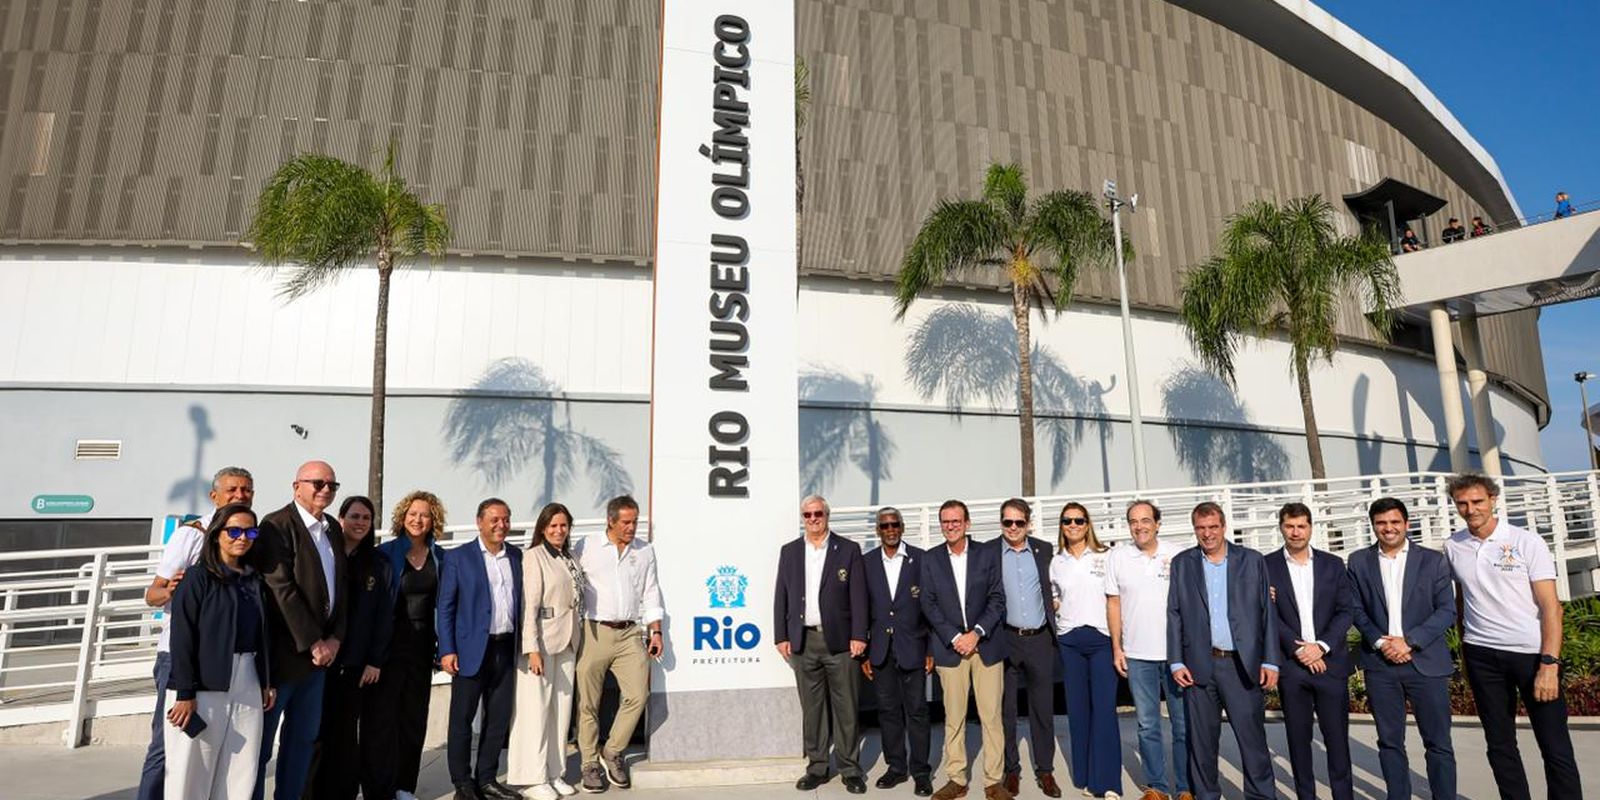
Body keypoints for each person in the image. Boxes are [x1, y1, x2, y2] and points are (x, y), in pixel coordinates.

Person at [1443, 472, 1582, 799]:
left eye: (1477, 501)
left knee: (1554, 745)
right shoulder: (1453, 546)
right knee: (1499, 744)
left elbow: (1551, 608)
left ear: (1493, 500)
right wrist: (1465, 656)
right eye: (1462, 503)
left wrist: (1549, 664)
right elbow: (1462, 602)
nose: (1470, 509)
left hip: (1531, 655)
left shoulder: (1526, 542)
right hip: (1481, 654)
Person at [138, 466, 254, 800]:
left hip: (224, 661)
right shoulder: (192, 535)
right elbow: (153, 594)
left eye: (246, 490)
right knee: (167, 745)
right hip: (179, 654)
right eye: (232, 490)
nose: (240, 495)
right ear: (214, 496)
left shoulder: (247, 539)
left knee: (213, 752)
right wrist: (179, 590)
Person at [1167, 502, 1278, 800]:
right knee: (1202, 745)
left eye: (1213, 527)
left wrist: (1271, 661)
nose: (1208, 534)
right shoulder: (1182, 563)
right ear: (1195, 530)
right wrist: (1176, 661)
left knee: (1253, 743)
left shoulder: (1251, 560)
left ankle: (1261, 797)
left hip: (1241, 665)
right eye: (1201, 528)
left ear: (1224, 527)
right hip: (1199, 666)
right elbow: (1174, 613)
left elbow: (1266, 612)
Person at [1347, 497, 1456, 800]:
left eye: (1395, 522)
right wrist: (1382, 642)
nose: (1388, 528)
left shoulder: (1433, 560)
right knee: (1390, 743)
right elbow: (1355, 609)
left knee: (1438, 743)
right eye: (1381, 523)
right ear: (1373, 526)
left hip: (1425, 662)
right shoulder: (1358, 561)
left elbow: (1446, 611)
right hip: (1380, 665)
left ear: (1407, 524)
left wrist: (1409, 641)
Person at [163, 503, 274, 800]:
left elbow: (263, 634)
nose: (243, 538)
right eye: (234, 531)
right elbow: (182, 637)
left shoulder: (255, 579)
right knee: (191, 772)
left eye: (250, 532)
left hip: (248, 678)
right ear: (216, 534)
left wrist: (266, 681)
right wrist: (185, 693)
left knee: (241, 770)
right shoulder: (197, 577)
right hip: (203, 684)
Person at [254, 461, 347, 800]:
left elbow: (342, 587)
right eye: (318, 483)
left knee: (301, 743)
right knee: (261, 748)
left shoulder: (332, 528)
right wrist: (313, 641)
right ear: (297, 487)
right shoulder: (276, 525)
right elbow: (281, 588)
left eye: (332, 485)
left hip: (319, 662)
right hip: (284, 658)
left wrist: (336, 637)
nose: (326, 490)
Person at [774, 495, 868, 794]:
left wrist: (859, 635)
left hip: (840, 642)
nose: (813, 519)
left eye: (818, 513)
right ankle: (817, 767)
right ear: (802, 518)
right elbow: (781, 595)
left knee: (846, 707)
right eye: (808, 515)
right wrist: (781, 635)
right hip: (804, 641)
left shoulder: (848, 549)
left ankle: (850, 769)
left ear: (827, 515)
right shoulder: (790, 552)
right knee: (812, 709)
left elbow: (859, 597)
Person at [574, 495, 665, 793]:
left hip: (630, 633)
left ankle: (612, 751)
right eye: (626, 522)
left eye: (635, 521)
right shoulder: (586, 546)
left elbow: (651, 591)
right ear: (610, 521)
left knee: (638, 695)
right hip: (594, 631)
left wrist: (655, 631)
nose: (631, 527)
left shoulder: (644, 550)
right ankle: (589, 763)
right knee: (588, 703)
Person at [921, 500, 1010, 800]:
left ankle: (993, 782)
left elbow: (997, 598)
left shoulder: (987, 554)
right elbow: (928, 604)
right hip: (951, 650)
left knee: (991, 717)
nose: (951, 526)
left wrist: (976, 633)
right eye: (945, 521)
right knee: (954, 717)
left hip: (986, 646)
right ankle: (956, 779)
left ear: (967, 523)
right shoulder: (931, 559)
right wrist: (955, 636)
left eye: (956, 521)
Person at [1264, 503, 1353, 800]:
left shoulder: (1333, 564)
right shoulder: (1266, 566)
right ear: (1281, 527)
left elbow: (1346, 611)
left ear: (1311, 528)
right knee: (1298, 742)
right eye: (1290, 526)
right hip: (1293, 669)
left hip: (1330, 665)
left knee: (1337, 742)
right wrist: (1299, 650)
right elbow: (1267, 615)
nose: (1296, 532)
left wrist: (1321, 647)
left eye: (1301, 526)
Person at [439, 498, 524, 800]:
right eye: (495, 519)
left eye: (506, 519)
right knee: (462, 719)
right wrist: (447, 649)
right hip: (469, 651)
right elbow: (445, 607)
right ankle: (462, 784)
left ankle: (487, 779)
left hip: (505, 648)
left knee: (498, 718)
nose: (502, 525)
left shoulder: (516, 555)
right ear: (479, 522)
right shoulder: (458, 557)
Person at [1105, 500, 1190, 800]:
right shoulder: (1117, 556)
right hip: (1138, 655)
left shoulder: (1178, 554)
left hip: (1176, 656)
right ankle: (1157, 787)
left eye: (1145, 520)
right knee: (1147, 725)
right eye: (1133, 521)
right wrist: (1117, 647)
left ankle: (1185, 787)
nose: (1139, 526)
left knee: (1183, 725)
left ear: (1157, 523)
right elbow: (1113, 603)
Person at [310, 496, 393, 800]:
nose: (360, 523)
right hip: (319, 660)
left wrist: (375, 660)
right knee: (315, 732)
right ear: (341, 518)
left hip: (355, 664)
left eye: (366, 518)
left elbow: (384, 616)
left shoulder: (379, 564)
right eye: (354, 516)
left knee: (345, 735)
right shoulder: (326, 555)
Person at [367, 490, 448, 800]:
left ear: (433, 520)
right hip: (388, 648)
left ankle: (404, 787)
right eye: (412, 514)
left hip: (423, 648)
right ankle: (379, 788)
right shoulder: (385, 553)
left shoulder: (441, 557)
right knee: (382, 721)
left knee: (413, 720)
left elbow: (446, 605)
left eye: (424, 515)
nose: (418, 519)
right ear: (402, 517)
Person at [508, 503, 586, 800]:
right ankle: (531, 777)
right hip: (541, 643)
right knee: (535, 711)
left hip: (568, 640)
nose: (558, 530)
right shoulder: (534, 556)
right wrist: (531, 648)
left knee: (560, 712)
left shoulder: (570, 557)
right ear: (542, 528)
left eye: (563, 525)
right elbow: (529, 605)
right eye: (553, 525)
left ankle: (555, 772)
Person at [861, 506, 934, 797]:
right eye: (885, 526)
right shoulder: (867, 563)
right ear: (877, 530)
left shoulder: (921, 559)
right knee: (888, 711)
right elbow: (862, 609)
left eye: (895, 525)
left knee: (917, 711)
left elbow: (930, 606)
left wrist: (930, 648)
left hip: (913, 647)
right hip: (880, 650)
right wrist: (864, 653)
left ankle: (921, 772)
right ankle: (896, 767)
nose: (890, 530)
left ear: (902, 527)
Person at [1050, 502, 1120, 799]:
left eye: (1079, 520)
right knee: (1078, 712)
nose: (1073, 525)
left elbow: (1117, 598)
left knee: (1104, 711)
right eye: (1067, 521)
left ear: (1087, 524)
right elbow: (1054, 598)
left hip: (1102, 640)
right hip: (1069, 641)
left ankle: (1108, 782)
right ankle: (1084, 776)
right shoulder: (1056, 561)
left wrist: (1119, 643)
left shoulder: (1107, 556)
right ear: (1062, 526)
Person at [996, 499, 1061, 799]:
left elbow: (1057, 584)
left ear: (1028, 523)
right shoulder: (990, 552)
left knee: (1042, 708)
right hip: (1005, 638)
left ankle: (1045, 770)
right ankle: (1011, 770)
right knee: (1006, 710)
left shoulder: (1044, 550)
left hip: (1039, 639)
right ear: (1001, 523)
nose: (1013, 528)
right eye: (1007, 522)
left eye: (1019, 522)